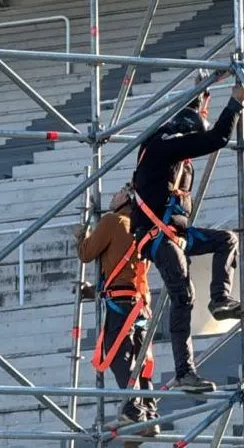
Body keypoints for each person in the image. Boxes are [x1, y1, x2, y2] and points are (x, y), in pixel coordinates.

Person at [131, 83, 244, 393]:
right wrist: (235, 104)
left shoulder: (169, 150)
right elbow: (217, 138)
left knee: (227, 240)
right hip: (159, 236)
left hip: (177, 233)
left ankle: (220, 298)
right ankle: (185, 371)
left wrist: (199, 96)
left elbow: (192, 123)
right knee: (183, 295)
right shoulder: (161, 147)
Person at [73, 184, 160, 434]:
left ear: (128, 199)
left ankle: (133, 410)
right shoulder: (144, 228)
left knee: (117, 354)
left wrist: (81, 236)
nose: (114, 195)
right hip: (140, 303)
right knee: (141, 359)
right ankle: (150, 413)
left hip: (121, 303)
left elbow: (87, 254)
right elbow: (124, 268)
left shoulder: (114, 221)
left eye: (120, 192)